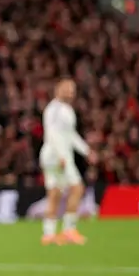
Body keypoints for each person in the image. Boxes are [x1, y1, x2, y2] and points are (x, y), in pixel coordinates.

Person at [39, 79, 95, 245]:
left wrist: (86, 151)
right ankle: (69, 230)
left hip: (54, 156)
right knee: (77, 188)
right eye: (67, 89)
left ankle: (48, 234)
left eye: (73, 89)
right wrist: (61, 156)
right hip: (57, 156)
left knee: (54, 194)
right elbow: (52, 134)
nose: (71, 92)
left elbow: (70, 135)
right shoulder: (55, 109)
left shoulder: (66, 109)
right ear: (58, 90)